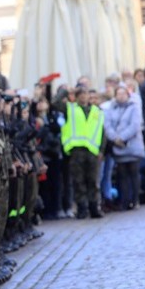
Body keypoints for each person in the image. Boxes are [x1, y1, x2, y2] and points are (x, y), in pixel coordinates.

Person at [54, 86, 104, 219]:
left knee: (93, 181)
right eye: (80, 94)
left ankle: (94, 208)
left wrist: (101, 150)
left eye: (86, 93)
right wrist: (64, 90)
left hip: (92, 150)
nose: (83, 96)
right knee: (78, 181)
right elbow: (55, 103)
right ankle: (82, 208)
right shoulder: (70, 109)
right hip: (76, 151)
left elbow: (102, 131)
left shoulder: (97, 111)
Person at [103, 86, 145, 211]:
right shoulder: (111, 108)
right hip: (118, 147)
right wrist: (115, 138)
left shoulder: (134, 107)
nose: (121, 96)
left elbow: (135, 125)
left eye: (123, 94)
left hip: (132, 145)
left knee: (134, 173)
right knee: (122, 175)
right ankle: (124, 200)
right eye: (118, 94)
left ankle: (135, 199)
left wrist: (123, 138)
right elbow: (107, 125)